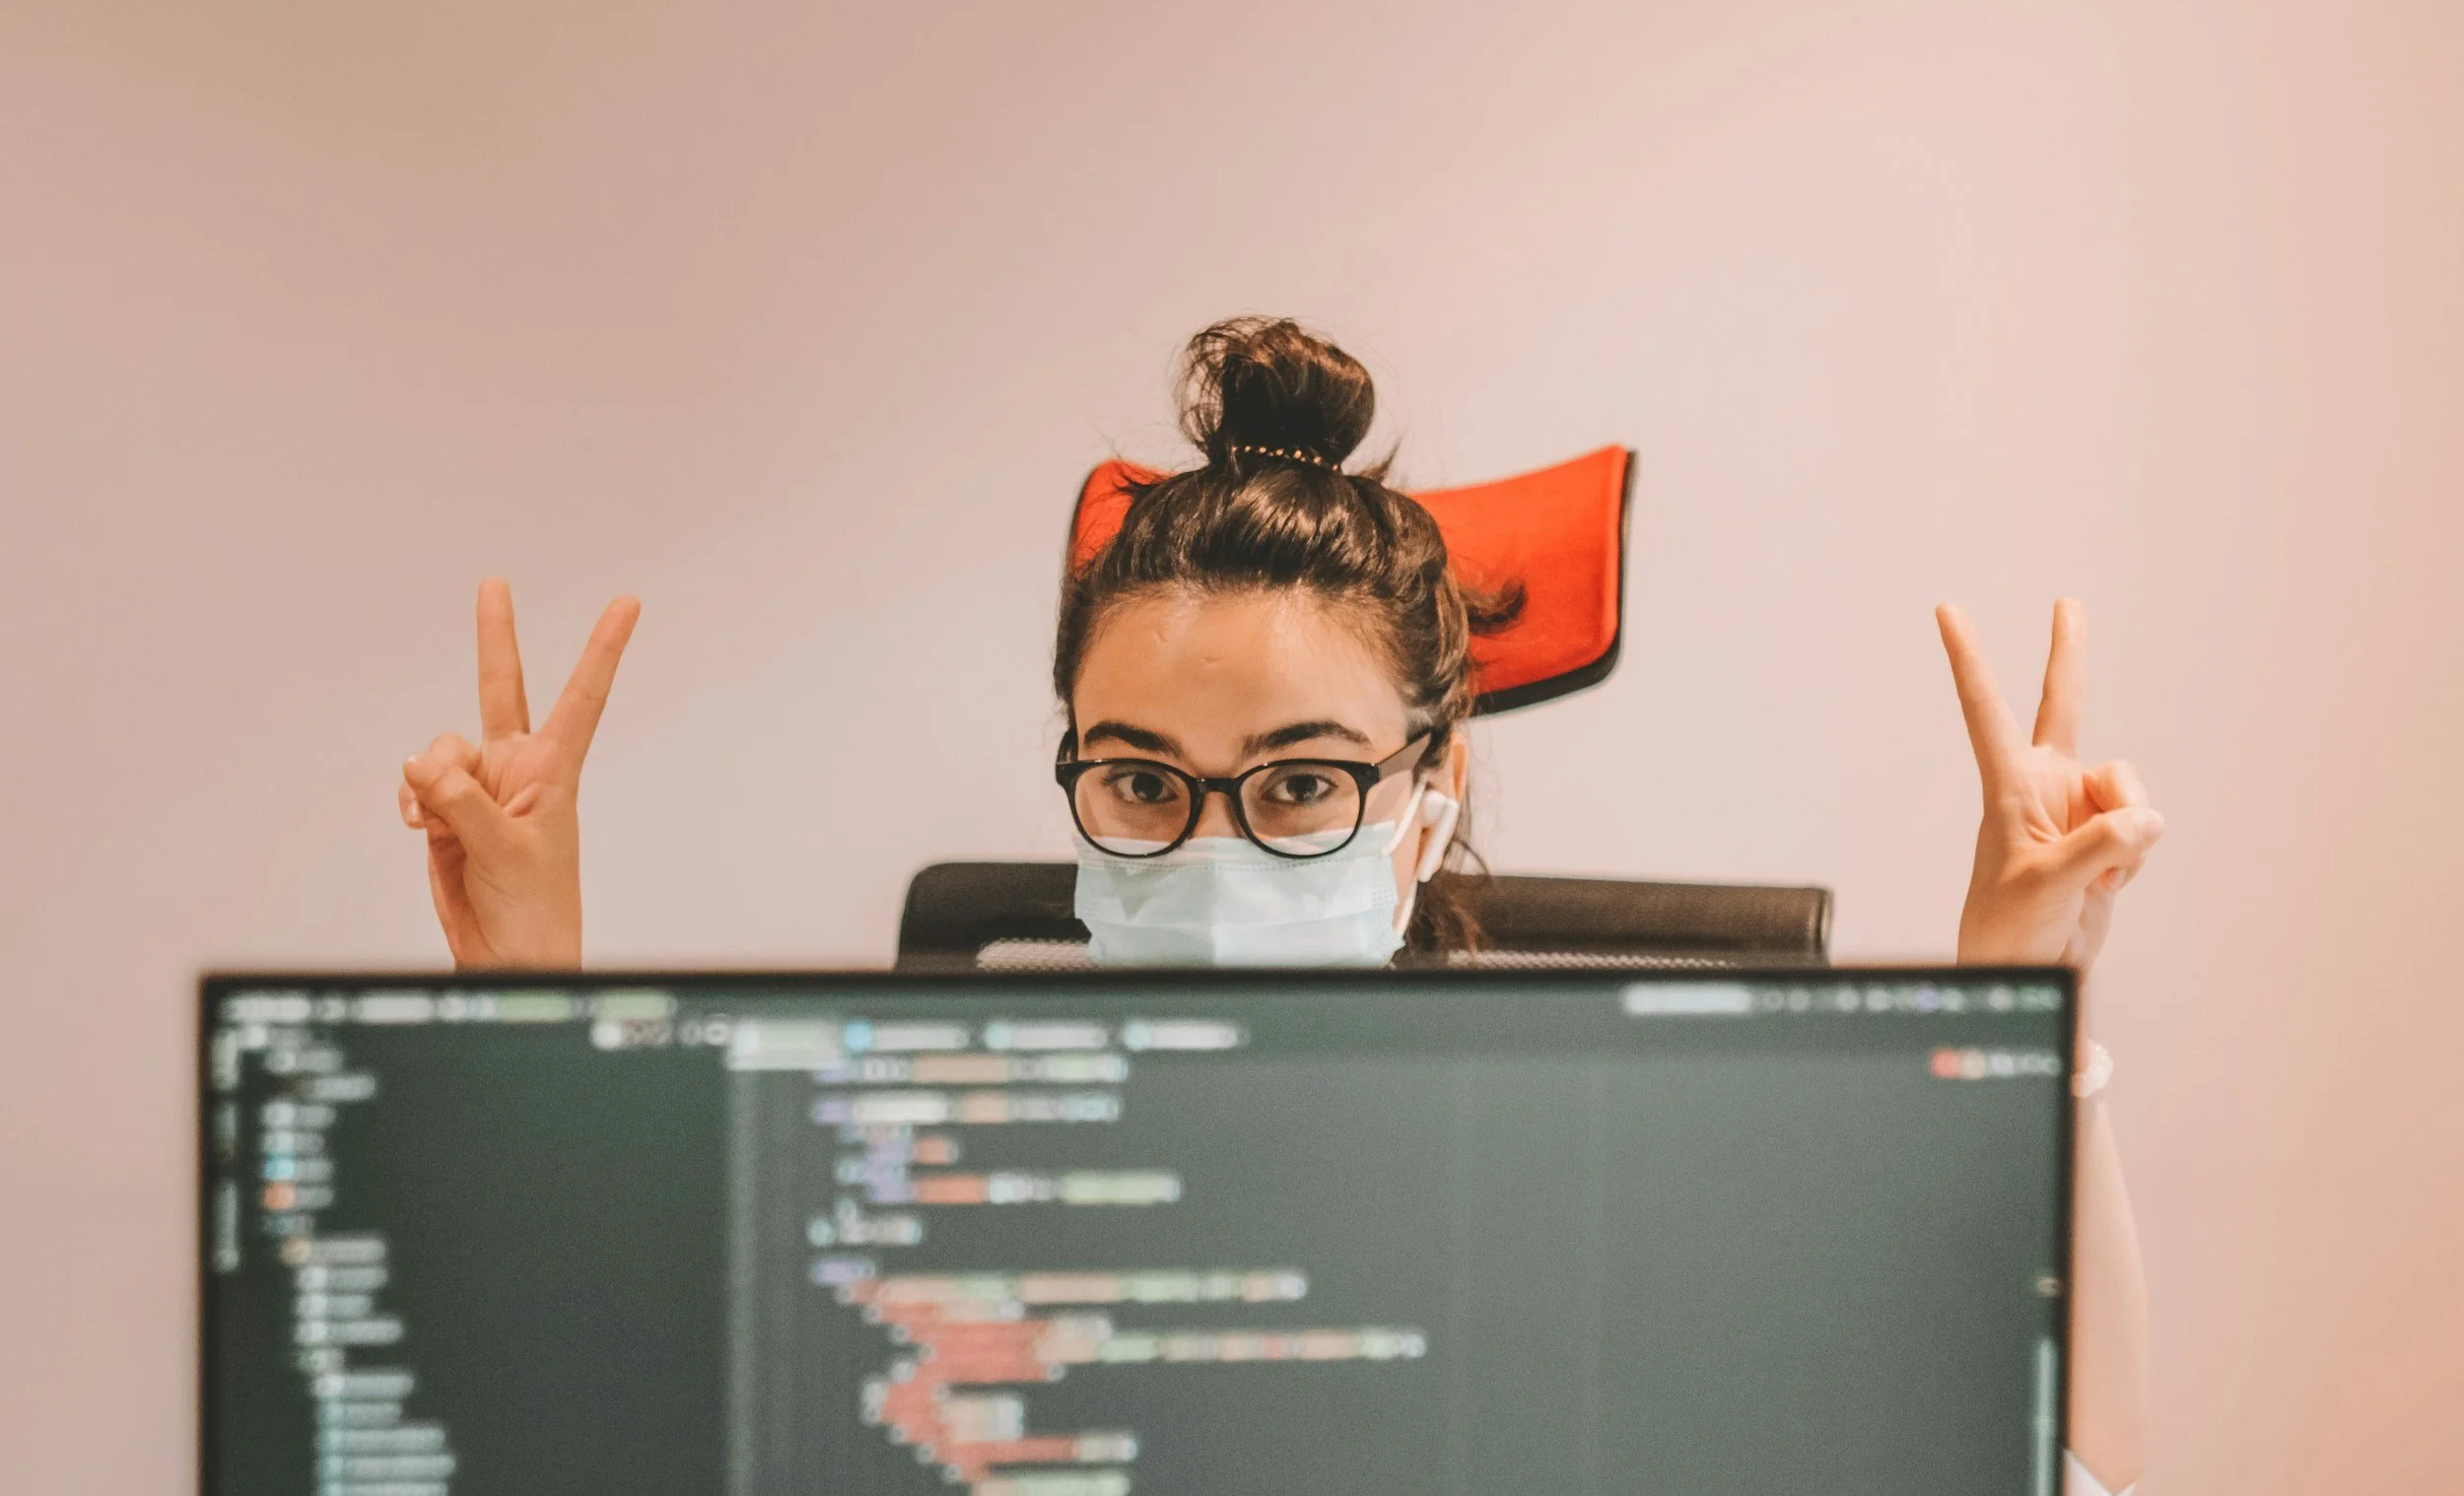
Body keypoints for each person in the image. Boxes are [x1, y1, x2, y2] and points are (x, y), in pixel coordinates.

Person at [396, 316, 2161, 1494]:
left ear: (1424, 807)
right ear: (1077, 793)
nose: (1214, 846)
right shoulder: (917, 1179)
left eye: (1304, 781)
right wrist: (521, 1009)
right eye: (1144, 779)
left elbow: (2059, 1472)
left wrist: (2028, 1022)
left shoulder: (1613, 1194)